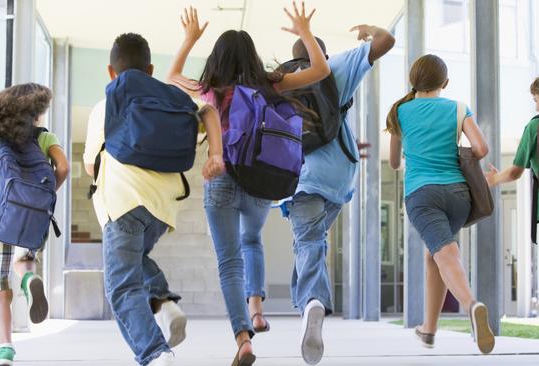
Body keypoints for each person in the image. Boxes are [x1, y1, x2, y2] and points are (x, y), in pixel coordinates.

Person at [167, 3, 329, 364]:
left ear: (218, 60)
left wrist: (189, 38)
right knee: (251, 239)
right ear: (252, 57)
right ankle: (258, 306)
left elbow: (171, 74)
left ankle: (243, 338)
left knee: (229, 263)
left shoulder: (211, 89)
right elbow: (320, 69)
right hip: (261, 181)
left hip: (222, 177)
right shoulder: (271, 84)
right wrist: (304, 30)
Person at [83, 33, 225, 366]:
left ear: (110, 72)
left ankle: (155, 354)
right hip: (162, 209)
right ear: (150, 69)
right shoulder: (172, 97)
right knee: (135, 260)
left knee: (121, 285)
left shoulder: (106, 106)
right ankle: (165, 303)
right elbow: (209, 113)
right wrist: (215, 154)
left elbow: (91, 164)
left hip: (123, 203)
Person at [278, 24, 394, 365]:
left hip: (298, 175)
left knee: (308, 241)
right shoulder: (334, 67)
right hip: (340, 176)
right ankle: (307, 305)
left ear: (291, 58)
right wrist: (369, 31)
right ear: (321, 54)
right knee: (310, 240)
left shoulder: (280, 80)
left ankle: (312, 301)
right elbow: (387, 41)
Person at [387, 54, 495, 354]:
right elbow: (481, 148)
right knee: (434, 254)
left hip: (422, 195)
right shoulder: (458, 108)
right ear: (444, 83)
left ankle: (471, 305)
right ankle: (429, 330)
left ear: (414, 80)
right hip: (459, 195)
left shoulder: (400, 111)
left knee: (445, 253)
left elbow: (395, 163)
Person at [0, 83, 70, 366]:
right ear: (37, 114)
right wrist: (47, 195)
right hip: (33, 213)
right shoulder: (44, 137)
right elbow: (63, 167)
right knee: (24, 260)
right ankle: (28, 279)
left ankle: (5, 349)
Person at [486, 78, 539, 190]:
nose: (536, 108)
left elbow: (514, 173)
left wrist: (494, 178)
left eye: (536, 100)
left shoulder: (534, 126)